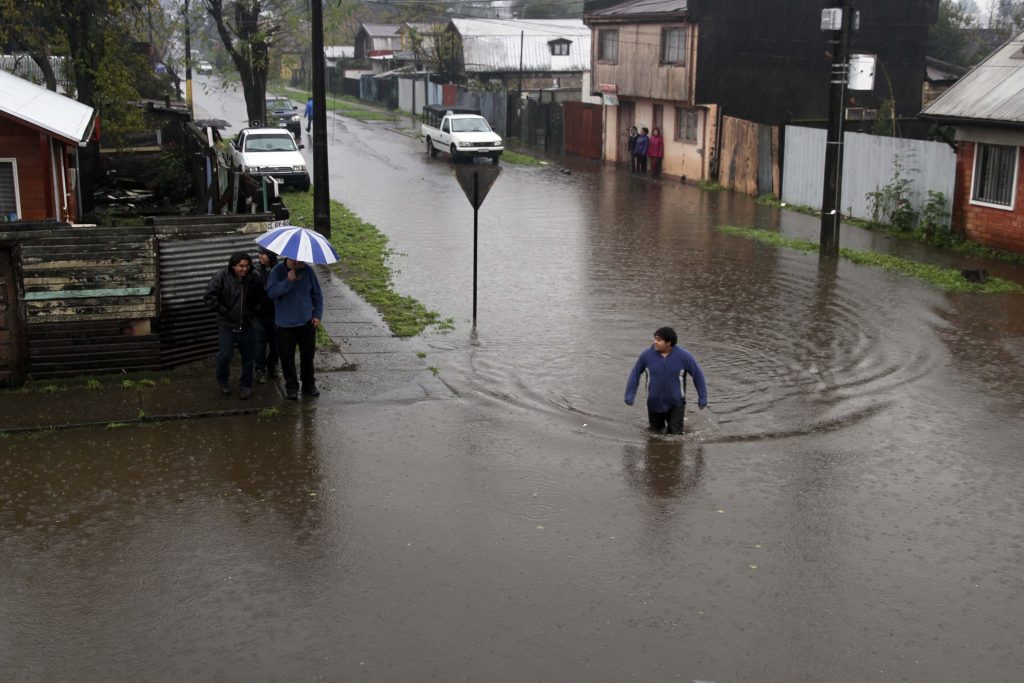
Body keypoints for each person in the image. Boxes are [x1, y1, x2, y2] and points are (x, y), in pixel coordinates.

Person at [202, 252, 265, 399]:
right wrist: (226, 311)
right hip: (227, 325)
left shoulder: (253, 278)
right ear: (233, 266)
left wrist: (254, 311)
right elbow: (209, 297)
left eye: (247, 266)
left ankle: (246, 385)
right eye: (241, 266)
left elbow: (261, 296)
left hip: (247, 325)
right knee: (224, 356)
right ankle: (223, 382)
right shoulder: (221, 277)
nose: (244, 269)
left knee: (248, 357)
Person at [624, 326, 708, 434]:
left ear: (668, 342)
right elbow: (635, 374)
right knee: (655, 435)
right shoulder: (646, 355)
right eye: (655, 339)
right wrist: (630, 394)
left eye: (659, 340)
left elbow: (698, 375)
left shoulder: (684, 356)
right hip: (653, 403)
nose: (655, 342)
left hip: (676, 403)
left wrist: (702, 397)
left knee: (676, 435)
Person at [266, 258, 324, 400]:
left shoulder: (308, 271)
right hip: (285, 325)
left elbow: (317, 294)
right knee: (287, 358)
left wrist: (317, 315)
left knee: (308, 356)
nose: (302, 262)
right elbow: (272, 293)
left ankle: (308, 384)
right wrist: (288, 281)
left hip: (306, 322)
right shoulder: (277, 271)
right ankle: (291, 387)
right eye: (300, 260)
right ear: (291, 258)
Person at [252, 247, 279, 383]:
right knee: (259, 344)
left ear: (271, 255)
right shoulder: (255, 271)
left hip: (276, 314)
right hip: (259, 315)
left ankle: (272, 367)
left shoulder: (280, 270)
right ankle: (259, 370)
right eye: (259, 253)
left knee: (276, 344)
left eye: (263, 254)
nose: (260, 256)